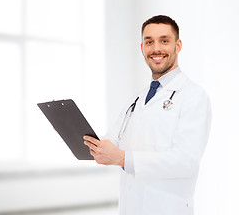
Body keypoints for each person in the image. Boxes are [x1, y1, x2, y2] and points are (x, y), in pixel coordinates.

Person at [83, 15, 211, 215]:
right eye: (149, 42)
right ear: (142, 48)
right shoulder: (136, 100)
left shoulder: (194, 96)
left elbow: (186, 162)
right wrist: (73, 130)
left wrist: (124, 159)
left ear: (178, 46)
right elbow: (111, 142)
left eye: (164, 41)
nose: (156, 49)